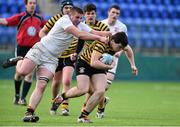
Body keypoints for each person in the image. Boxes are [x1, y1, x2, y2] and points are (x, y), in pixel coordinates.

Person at [13, 7, 108, 122]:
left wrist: (113, 34)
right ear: (70, 15)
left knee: (42, 85)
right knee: (23, 72)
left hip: (52, 58)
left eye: (81, 18)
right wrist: (99, 38)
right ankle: (19, 60)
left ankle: (29, 113)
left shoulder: (80, 24)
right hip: (41, 50)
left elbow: (94, 32)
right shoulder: (64, 20)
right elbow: (80, 35)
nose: (79, 20)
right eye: (77, 17)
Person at [52, 32, 129, 123]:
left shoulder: (118, 45)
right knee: (82, 90)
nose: (119, 49)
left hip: (98, 67)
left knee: (100, 91)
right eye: (119, 47)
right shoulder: (102, 44)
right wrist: (109, 66)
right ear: (112, 41)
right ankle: (61, 97)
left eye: (121, 48)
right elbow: (93, 62)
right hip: (85, 63)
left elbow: (128, 49)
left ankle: (83, 116)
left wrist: (132, 65)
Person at [95, 4, 138, 118]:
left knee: (104, 87)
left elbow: (126, 46)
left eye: (117, 13)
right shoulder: (101, 24)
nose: (115, 15)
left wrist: (132, 64)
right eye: (113, 12)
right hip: (99, 57)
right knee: (96, 88)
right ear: (108, 12)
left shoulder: (122, 27)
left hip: (112, 59)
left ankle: (99, 108)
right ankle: (99, 106)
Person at [0, 0, 46, 105]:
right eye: (30, 3)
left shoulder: (39, 18)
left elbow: (48, 27)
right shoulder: (20, 17)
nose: (33, 5)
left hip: (33, 49)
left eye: (34, 3)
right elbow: (6, 21)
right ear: (26, 5)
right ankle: (16, 95)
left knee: (30, 74)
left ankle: (23, 98)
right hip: (21, 48)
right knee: (19, 73)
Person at [39, 0, 74, 116]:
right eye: (66, 8)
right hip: (56, 55)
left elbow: (82, 36)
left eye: (70, 7)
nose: (68, 10)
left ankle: (65, 107)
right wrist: (48, 44)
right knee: (55, 82)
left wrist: (77, 52)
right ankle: (54, 102)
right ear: (62, 9)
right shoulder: (55, 19)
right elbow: (42, 32)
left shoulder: (76, 20)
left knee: (67, 80)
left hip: (70, 56)